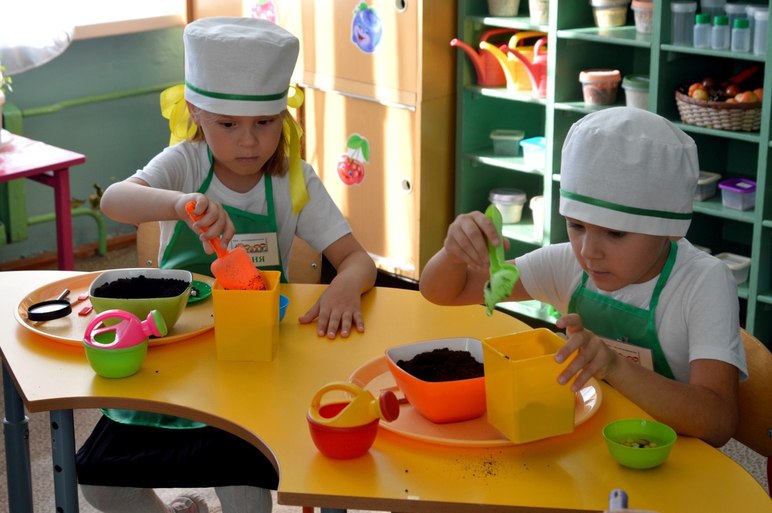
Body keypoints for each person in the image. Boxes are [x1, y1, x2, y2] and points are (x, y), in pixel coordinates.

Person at [76, 16, 376, 513]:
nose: (249, 143)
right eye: (228, 125)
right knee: (99, 482)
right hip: (173, 362)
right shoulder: (186, 163)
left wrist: (345, 284)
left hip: (252, 365)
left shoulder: (293, 180)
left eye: (265, 123)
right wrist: (177, 204)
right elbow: (114, 200)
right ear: (196, 113)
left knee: (246, 494)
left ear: (283, 116)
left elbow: (358, 260)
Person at [419, 107, 747, 448]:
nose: (589, 252)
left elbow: (718, 421)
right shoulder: (567, 264)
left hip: (677, 462)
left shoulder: (703, 283)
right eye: (576, 226)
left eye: (615, 233)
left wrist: (616, 367)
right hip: (592, 447)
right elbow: (446, 292)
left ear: (669, 228)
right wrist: (454, 254)